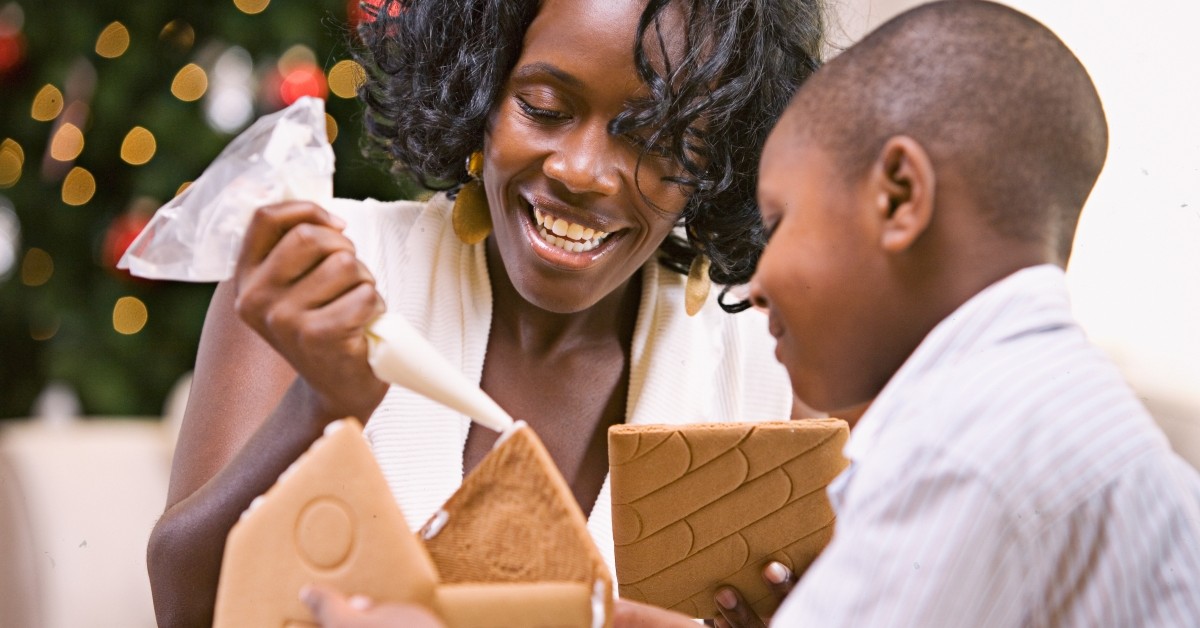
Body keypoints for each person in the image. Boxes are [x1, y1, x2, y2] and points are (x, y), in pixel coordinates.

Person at [145, 0, 825, 625]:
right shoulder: (320, 274)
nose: (583, 170)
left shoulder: (762, 358)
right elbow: (183, 607)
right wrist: (320, 406)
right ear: (481, 94)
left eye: (651, 135)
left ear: (716, 157)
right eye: (545, 108)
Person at [703, 1, 1200, 625]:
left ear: (900, 196)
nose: (756, 285)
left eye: (778, 224)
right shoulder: (1080, 418)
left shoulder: (957, 449)